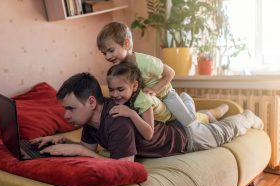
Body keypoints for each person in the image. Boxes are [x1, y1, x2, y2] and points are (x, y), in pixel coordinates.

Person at [31, 72, 264, 161]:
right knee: (205, 122)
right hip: (176, 129)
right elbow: (90, 150)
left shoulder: (117, 119)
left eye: (70, 108)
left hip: (186, 139)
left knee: (224, 132)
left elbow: (125, 165)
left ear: (92, 102)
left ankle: (247, 116)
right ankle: (208, 113)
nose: (65, 115)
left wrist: (80, 150)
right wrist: (62, 142)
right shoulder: (91, 122)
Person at [96, 21, 229, 127]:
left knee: (188, 121)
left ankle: (186, 99)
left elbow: (170, 73)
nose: (107, 56)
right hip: (153, 102)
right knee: (173, 123)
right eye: (104, 53)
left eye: (111, 50)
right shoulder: (120, 69)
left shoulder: (146, 61)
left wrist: (154, 90)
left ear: (126, 44)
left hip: (165, 94)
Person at [107, 62, 229, 140]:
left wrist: (131, 114)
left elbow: (149, 134)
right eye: (111, 90)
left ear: (134, 86)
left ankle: (189, 100)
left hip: (174, 118)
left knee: (195, 119)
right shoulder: (128, 97)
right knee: (199, 115)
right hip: (168, 113)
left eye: (120, 89)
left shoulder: (143, 100)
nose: (115, 94)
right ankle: (207, 111)